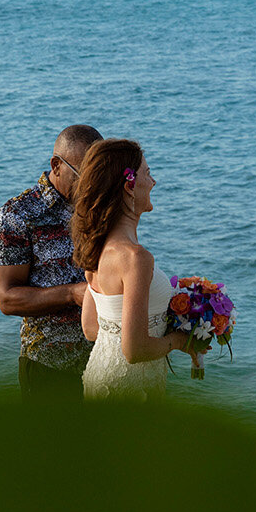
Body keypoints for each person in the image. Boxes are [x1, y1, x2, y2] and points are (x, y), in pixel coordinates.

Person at [72, 138, 205, 401]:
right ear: (129, 186)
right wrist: (179, 340)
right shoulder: (136, 258)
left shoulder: (96, 246)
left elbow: (91, 328)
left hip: (100, 377)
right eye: (147, 173)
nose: (153, 182)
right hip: (130, 389)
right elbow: (134, 350)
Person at [0, 124, 102, 402]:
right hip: (49, 367)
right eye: (85, 176)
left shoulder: (99, 209)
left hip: (103, 363)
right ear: (57, 165)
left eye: (98, 176)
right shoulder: (15, 217)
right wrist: (73, 294)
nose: (93, 186)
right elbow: (8, 299)